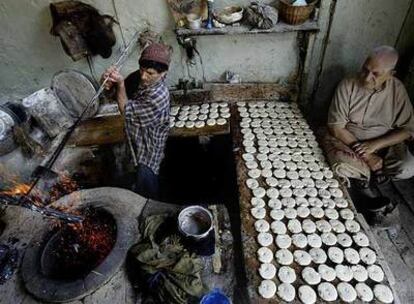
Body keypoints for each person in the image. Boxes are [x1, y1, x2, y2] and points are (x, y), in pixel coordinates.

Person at [327, 45, 414, 220]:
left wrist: (375, 146)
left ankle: (373, 173)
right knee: (341, 166)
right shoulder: (348, 85)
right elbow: (336, 127)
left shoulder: (397, 90)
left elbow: (408, 129)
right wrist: (367, 155)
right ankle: (365, 179)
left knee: (407, 167)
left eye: (376, 74)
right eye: (365, 70)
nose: (367, 78)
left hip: (383, 141)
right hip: (350, 141)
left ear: (391, 74)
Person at [102, 42, 171, 200]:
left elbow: (126, 110)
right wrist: (108, 82)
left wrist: (119, 84)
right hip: (134, 141)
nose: (143, 76)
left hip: (148, 152)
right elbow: (115, 93)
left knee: (147, 188)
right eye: (142, 70)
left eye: (150, 73)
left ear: (163, 73)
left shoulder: (159, 96)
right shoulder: (139, 77)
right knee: (134, 178)